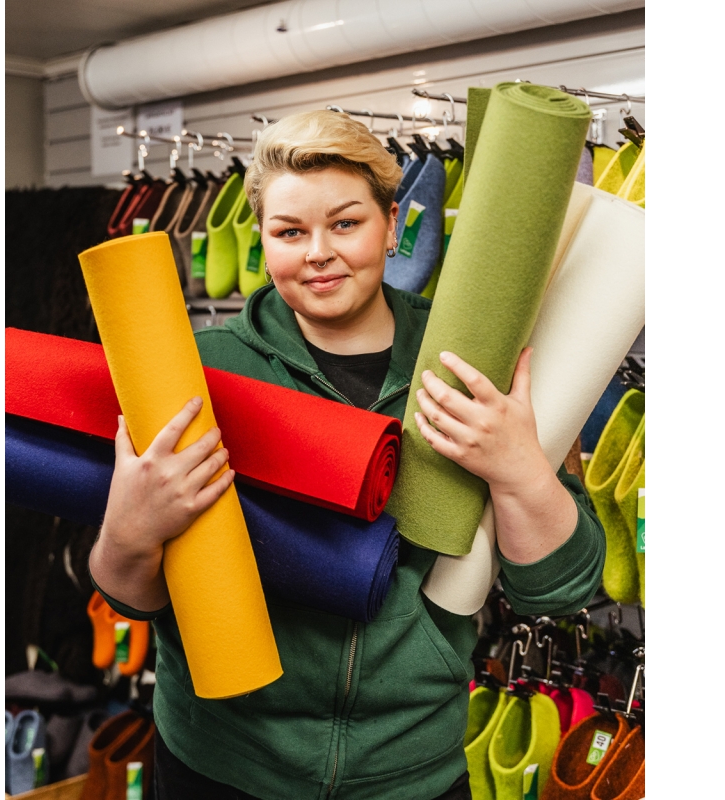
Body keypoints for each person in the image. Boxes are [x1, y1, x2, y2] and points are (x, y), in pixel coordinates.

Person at [89, 110, 605, 800]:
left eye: (345, 224)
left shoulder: (472, 363)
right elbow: (127, 594)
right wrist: (131, 528)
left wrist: (518, 469)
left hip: (410, 772)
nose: (318, 252)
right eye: (289, 232)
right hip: (225, 766)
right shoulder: (198, 371)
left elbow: (561, 589)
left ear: (392, 225)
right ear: (262, 238)